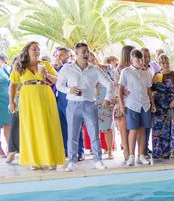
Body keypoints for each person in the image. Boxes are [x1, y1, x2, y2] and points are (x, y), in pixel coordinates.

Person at [8, 41, 65, 169]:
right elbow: (13, 85)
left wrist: (47, 75)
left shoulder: (45, 64)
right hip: (28, 98)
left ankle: (52, 160)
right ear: (27, 51)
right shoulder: (19, 66)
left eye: (38, 49)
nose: (37, 51)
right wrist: (11, 102)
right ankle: (35, 161)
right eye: (34, 49)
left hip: (45, 96)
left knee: (48, 126)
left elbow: (59, 81)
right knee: (31, 127)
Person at [57, 42, 112, 171]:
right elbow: (59, 85)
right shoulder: (67, 68)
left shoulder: (95, 69)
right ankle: (72, 161)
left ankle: (98, 160)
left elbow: (109, 83)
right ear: (76, 53)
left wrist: (108, 98)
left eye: (87, 52)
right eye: (84, 52)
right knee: (72, 135)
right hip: (73, 105)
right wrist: (69, 90)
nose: (87, 54)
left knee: (94, 134)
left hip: (90, 105)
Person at [118, 49, 155, 166]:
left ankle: (141, 155)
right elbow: (120, 89)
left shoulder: (146, 72)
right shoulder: (126, 71)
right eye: (137, 59)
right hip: (132, 104)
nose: (140, 61)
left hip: (145, 104)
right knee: (133, 130)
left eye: (141, 59)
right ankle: (131, 156)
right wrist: (121, 105)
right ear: (131, 60)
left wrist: (152, 104)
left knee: (143, 129)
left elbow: (149, 90)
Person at [151, 54, 174, 159]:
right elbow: (151, 90)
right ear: (159, 64)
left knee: (171, 128)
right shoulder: (156, 75)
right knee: (158, 129)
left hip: (171, 104)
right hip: (159, 106)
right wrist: (152, 82)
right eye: (163, 63)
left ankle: (172, 150)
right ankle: (159, 151)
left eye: (167, 62)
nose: (166, 64)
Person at [90, 52, 116, 160]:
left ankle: (110, 151)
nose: (90, 62)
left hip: (107, 101)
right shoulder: (88, 72)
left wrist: (112, 98)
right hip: (93, 101)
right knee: (94, 128)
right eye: (88, 61)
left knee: (107, 128)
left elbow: (114, 83)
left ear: (96, 58)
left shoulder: (108, 68)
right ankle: (97, 152)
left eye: (92, 59)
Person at [0, 53, 11, 158]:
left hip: (6, 100)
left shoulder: (4, 69)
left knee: (8, 124)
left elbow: (11, 82)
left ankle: (10, 148)